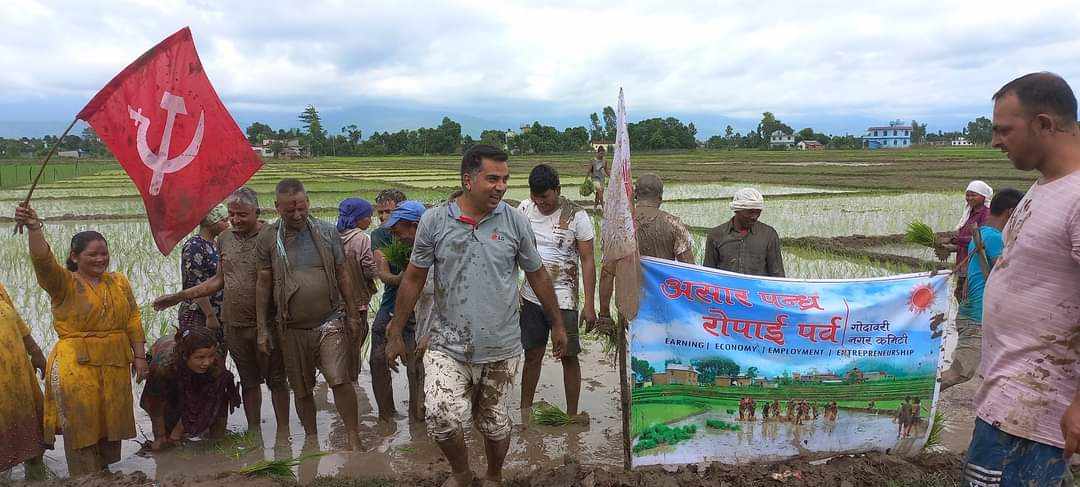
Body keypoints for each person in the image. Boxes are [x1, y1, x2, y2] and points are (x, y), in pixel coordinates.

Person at [385, 144, 567, 487]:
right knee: (441, 415)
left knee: (495, 424)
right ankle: (462, 473)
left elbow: (538, 274)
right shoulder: (435, 221)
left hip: (500, 345)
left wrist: (557, 323)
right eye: (492, 178)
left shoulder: (515, 221)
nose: (500, 186)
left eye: (505, 179)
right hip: (447, 343)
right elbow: (413, 277)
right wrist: (395, 331)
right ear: (468, 180)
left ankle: (494, 476)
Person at [965, 72, 1080, 486]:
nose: (996, 141)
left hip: (1036, 413)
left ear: (1045, 124)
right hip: (1009, 403)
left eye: (1004, 129)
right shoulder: (1045, 185)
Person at [14, 204, 147, 476]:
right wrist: (34, 227)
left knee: (111, 424)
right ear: (74, 257)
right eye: (92, 255)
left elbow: (133, 317)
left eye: (104, 254)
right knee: (82, 425)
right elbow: (43, 261)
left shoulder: (119, 282)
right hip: (77, 366)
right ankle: (84, 477)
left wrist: (140, 356)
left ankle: (105, 474)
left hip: (114, 363)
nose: (101, 259)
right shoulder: (64, 284)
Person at [154, 187, 291, 438]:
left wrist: (263, 329)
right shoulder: (224, 238)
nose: (236, 220)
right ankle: (254, 434)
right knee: (248, 380)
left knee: (277, 380)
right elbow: (218, 280)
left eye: (243, 215)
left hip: (268, 323)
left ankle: (284, 434)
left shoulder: (272, 235)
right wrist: (177, 297)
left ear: (257, 212)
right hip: (234, 323)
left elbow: (272, 281)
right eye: (232, 214)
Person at [255, 179, 364, 450]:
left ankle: (353, 436)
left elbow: (343, 275)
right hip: (291, 327)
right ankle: (312, 439)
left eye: (301, 208)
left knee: (339, 380)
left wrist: (352, 314)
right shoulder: (268, 237)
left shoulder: (327, 232)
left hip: (329, 320)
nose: (297, 215)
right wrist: (262, 328)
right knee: (301, 389)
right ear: (276, 206)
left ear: (308, 203)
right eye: (289, 210)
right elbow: (263, 283)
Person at [518, 164, 596, 424]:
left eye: (546, 197)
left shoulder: (577, 216)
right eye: (536, 197)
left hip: (564, 299)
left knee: (569, 356)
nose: (540, 202)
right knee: (532, 355)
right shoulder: (523, 210)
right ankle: (524, 412)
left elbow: (587, 260)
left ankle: (571, 414)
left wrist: (590, 306)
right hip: (531, 297)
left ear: (558, 190)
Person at [939, 189, 1024, 391]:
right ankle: (910, 396)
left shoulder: (982, 233)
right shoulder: (994, 239)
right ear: (1011, 212)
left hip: (975, 311)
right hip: (978, 315)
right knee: (959, 372)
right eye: (1021, 212)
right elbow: (1006, 275)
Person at [598, 174, 694, 328]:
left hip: (628, 304)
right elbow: (689, 270)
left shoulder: (619, 227)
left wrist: (604, 314)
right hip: (664, 303)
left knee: (630, 346)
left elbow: (607, 273)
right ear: (660, 198)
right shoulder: (673, 224)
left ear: (635, 195)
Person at [370, 189, 424, 423]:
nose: (384, 218)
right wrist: (406, 277)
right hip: (392, 303)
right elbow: (383, 274)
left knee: (417, 365)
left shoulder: (424, 235)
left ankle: (417, 416)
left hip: (422, 308)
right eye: (380, 212)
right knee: (378, 360)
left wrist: (410, 276)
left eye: (389, 213)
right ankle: (386, 416)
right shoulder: (380, 235)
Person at [141, 327, 240, 451]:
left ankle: (215, 441)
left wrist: (177, 433)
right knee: (168, 418)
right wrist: (160, 436)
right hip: (165, 362)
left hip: (192, 372)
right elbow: (154, 405)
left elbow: (206, 399)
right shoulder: (162, 367)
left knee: (217, 396)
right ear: (185, 355)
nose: (206, 362)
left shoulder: (214, 364)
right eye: (200, 358)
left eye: (211, 356)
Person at [0, 281, 47, 479]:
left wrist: (35, 351)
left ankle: (38, 481)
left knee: (31, 441)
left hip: (17, 376)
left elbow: (16, 319)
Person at [338, 197, 377, 381]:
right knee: (355, 343)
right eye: (368, 216)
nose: (370, 219)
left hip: (336, 303)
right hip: (357, 301)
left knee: (340, 343)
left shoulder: (332, 236)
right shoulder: (362, 239)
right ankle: (352, 382)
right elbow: (369, 268)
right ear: (358, 218)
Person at [703, 188, 784, 277]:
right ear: (737, 210)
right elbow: (708, 274)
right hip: (726, 289)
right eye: (750, 212)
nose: (754, 217)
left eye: (758, 212)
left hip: (756, 289)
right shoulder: (716, 235)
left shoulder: (768, 235)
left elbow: (777, 274)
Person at [178, 204, 229, 340]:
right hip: (200, 314)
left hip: (219, 313)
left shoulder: (217, 243)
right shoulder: (195, 245)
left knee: (217, 357)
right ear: (211, 222)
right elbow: (194, 282)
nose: (228, 224)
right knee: (199, 355)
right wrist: (210, 315)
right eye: (224, 220)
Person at [936, 181, 992, 300]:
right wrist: (948, 247)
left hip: (975, 264)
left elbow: (979, 240)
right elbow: (964, 243)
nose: (969, 198)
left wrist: (953, 240)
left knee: (967, 297)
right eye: (967, 195)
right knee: (960, 296)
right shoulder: (969, 214)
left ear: (984, 197)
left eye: (973, 195)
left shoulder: (986, 214)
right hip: (963, 262)